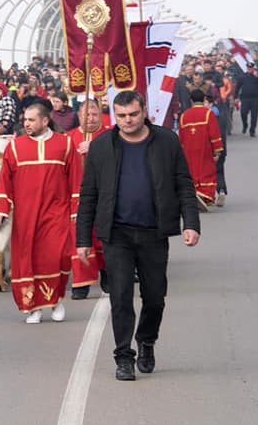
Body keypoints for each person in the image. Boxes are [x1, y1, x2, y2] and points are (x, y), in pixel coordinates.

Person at [76, 90, 200, 381]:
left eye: (133, 114)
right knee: (120, 296)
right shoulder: (102, 146)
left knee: (155, 297)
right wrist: (83, 239)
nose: (128, 120)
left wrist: (190, 223)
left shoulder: (167, 141)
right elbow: (88, 195)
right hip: (116, 233)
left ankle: (146, 341)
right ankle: (123, 356)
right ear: (114, 116)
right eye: (121, 116)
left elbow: (183, 183)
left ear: (144, 111)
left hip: (153, 233)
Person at [0, 103, 78, 324]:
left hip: (56, 212)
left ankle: (55, 300)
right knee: (29, 260)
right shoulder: (15, 147)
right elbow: (4, 181)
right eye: (25, 120)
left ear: (45, 120)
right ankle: (33, 307)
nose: (26, 124)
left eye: (31, 120)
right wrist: (0, 208)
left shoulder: (65, 144)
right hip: (26, 216)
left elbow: (76, 180)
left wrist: (77, 212)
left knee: (55, 257)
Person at [67, 100, 108, 300]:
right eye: (86, 115)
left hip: (105, 195)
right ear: (79, 115)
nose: (90, 119)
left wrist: (96, 148)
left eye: (94, 114)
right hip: (78, 196)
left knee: (104, 237)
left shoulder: (110, 136)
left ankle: (109, 275)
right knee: (81, 239)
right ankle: (81, 283)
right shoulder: (69, 138)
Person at [178, 90, 224, 211]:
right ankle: (203, 195)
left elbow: (181, 137)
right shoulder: (208, 114)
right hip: (204, 149)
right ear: (204, 99)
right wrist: (217, 151)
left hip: (188, 151)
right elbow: (214, 134)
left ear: (191, 101)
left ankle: (195, 193)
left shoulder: (184, 116)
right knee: (206, 171)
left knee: (192, 171)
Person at [235, 62, 258, 137]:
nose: (250, 69)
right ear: (246, 68)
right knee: (243, 113)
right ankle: (245, 125)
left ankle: (252, 130)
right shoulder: (243, 76)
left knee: (254, 115)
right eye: (248, 68)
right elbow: (237, 87)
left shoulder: (257, 75)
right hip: (245, 98)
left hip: (255, 98)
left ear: (253, 68)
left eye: (251, 68)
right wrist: (236, 97)